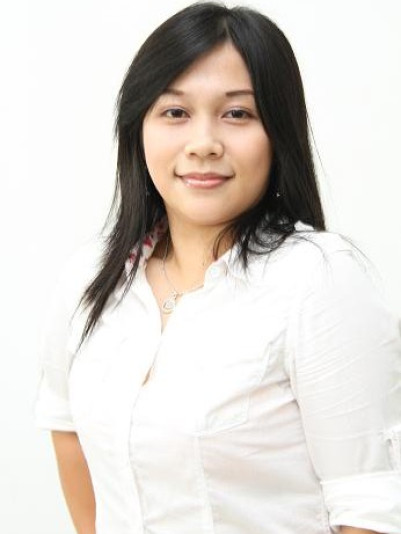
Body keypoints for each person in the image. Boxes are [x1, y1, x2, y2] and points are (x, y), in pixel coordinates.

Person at [34, 3, 401, 533]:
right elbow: (66, 425)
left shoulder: (320, 280)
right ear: (138, 128)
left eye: (237, 114)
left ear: (278, 132)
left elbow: (369, 504)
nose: (203, 144)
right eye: (175, 112)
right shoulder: (91, 277)